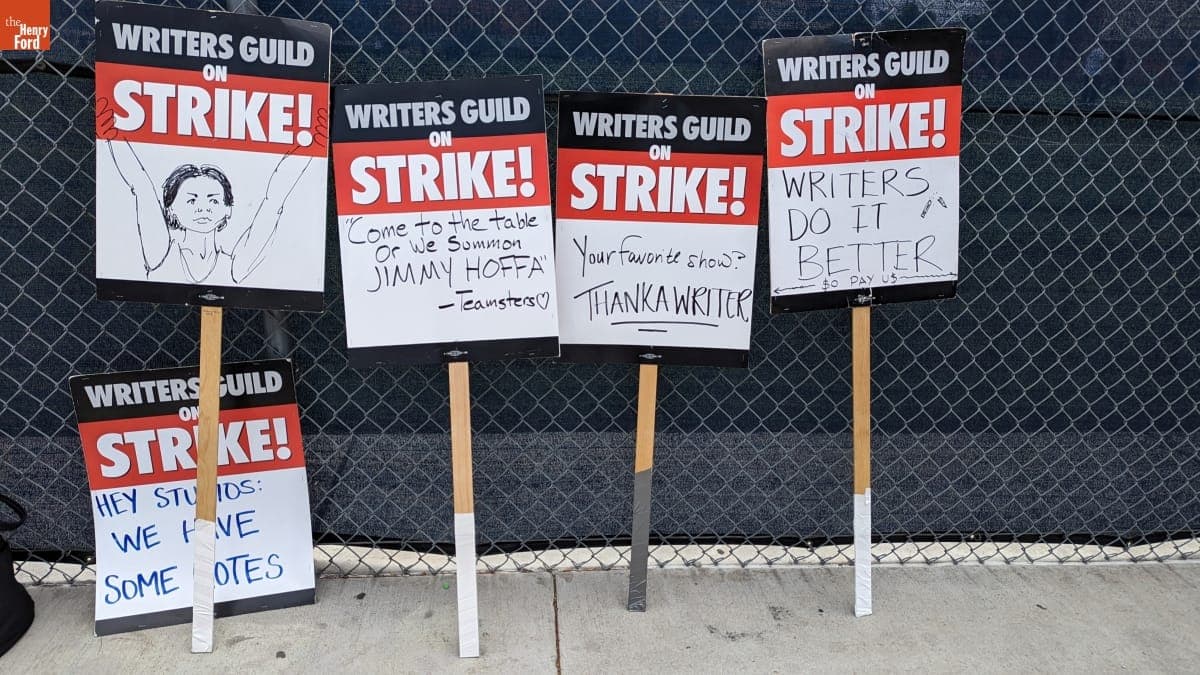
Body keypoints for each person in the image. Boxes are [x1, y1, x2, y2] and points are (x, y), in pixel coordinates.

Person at [95, 98, 327, 285]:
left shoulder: (235, 265)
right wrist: (112, 137)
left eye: (214, 201)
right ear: (171, 209)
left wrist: (310, 148)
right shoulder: (161, 254)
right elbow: (142, 186)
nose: (203, 208)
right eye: (191, 200)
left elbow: (273, 200)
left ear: (227, 210)